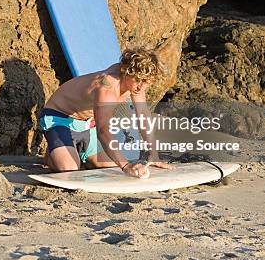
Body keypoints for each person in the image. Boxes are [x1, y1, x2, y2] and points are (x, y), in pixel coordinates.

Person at [39, 47, 174, 178]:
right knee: (69, 169)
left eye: (146, 82)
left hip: (86, 124)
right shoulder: (107, 86)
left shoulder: (136, 82)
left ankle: (68, 149)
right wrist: (126, 166)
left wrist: (153, 154)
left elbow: (143, 116)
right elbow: (103, 131)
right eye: (138, 80)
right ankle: (54, 153)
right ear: (125, 70)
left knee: (108, 166)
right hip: (59, 118)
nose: (141, 86)